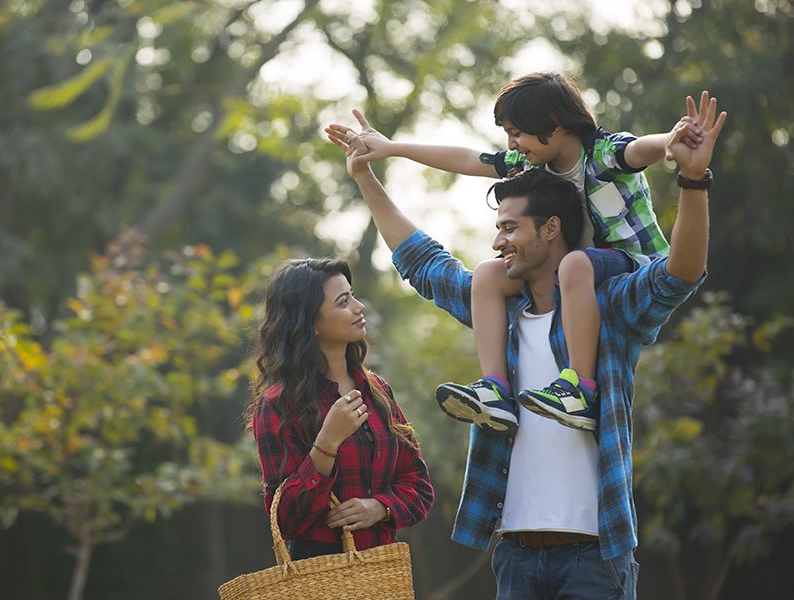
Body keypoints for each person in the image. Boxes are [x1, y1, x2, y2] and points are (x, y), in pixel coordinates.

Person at [329, 92, 725, 598]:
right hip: (514, 556)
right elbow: (423, 263)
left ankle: (574, 388)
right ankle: (495, 391)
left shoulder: (610, 312)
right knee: (483, 276)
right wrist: (367, 176)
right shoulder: (500, 314)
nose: (497, 243)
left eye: (510, 228)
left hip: (593, 556)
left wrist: (693, 180)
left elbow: (680, 274)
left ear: (552, 228)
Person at [326, 72, 704, 435]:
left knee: (575, 263)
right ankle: (494, 390)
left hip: (628, 266)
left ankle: (579, 388)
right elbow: (467, 160)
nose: (511, 144)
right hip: (571, 277)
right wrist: (393, 149)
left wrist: (671, 142)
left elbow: (640, 150)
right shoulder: (530, 165)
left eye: (517, 133)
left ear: (553, 124)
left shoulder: (602, 153)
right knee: (490, 273)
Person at [246, 258, 434, 560]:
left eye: (353, 296)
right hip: (321, 574)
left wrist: (380, 508)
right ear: (310, 322)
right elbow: (285, 520)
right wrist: (326, 443)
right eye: (343, 302)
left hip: (383, 571)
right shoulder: (277, 405)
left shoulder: (377, 391)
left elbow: (419, 487)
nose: (358, 307)